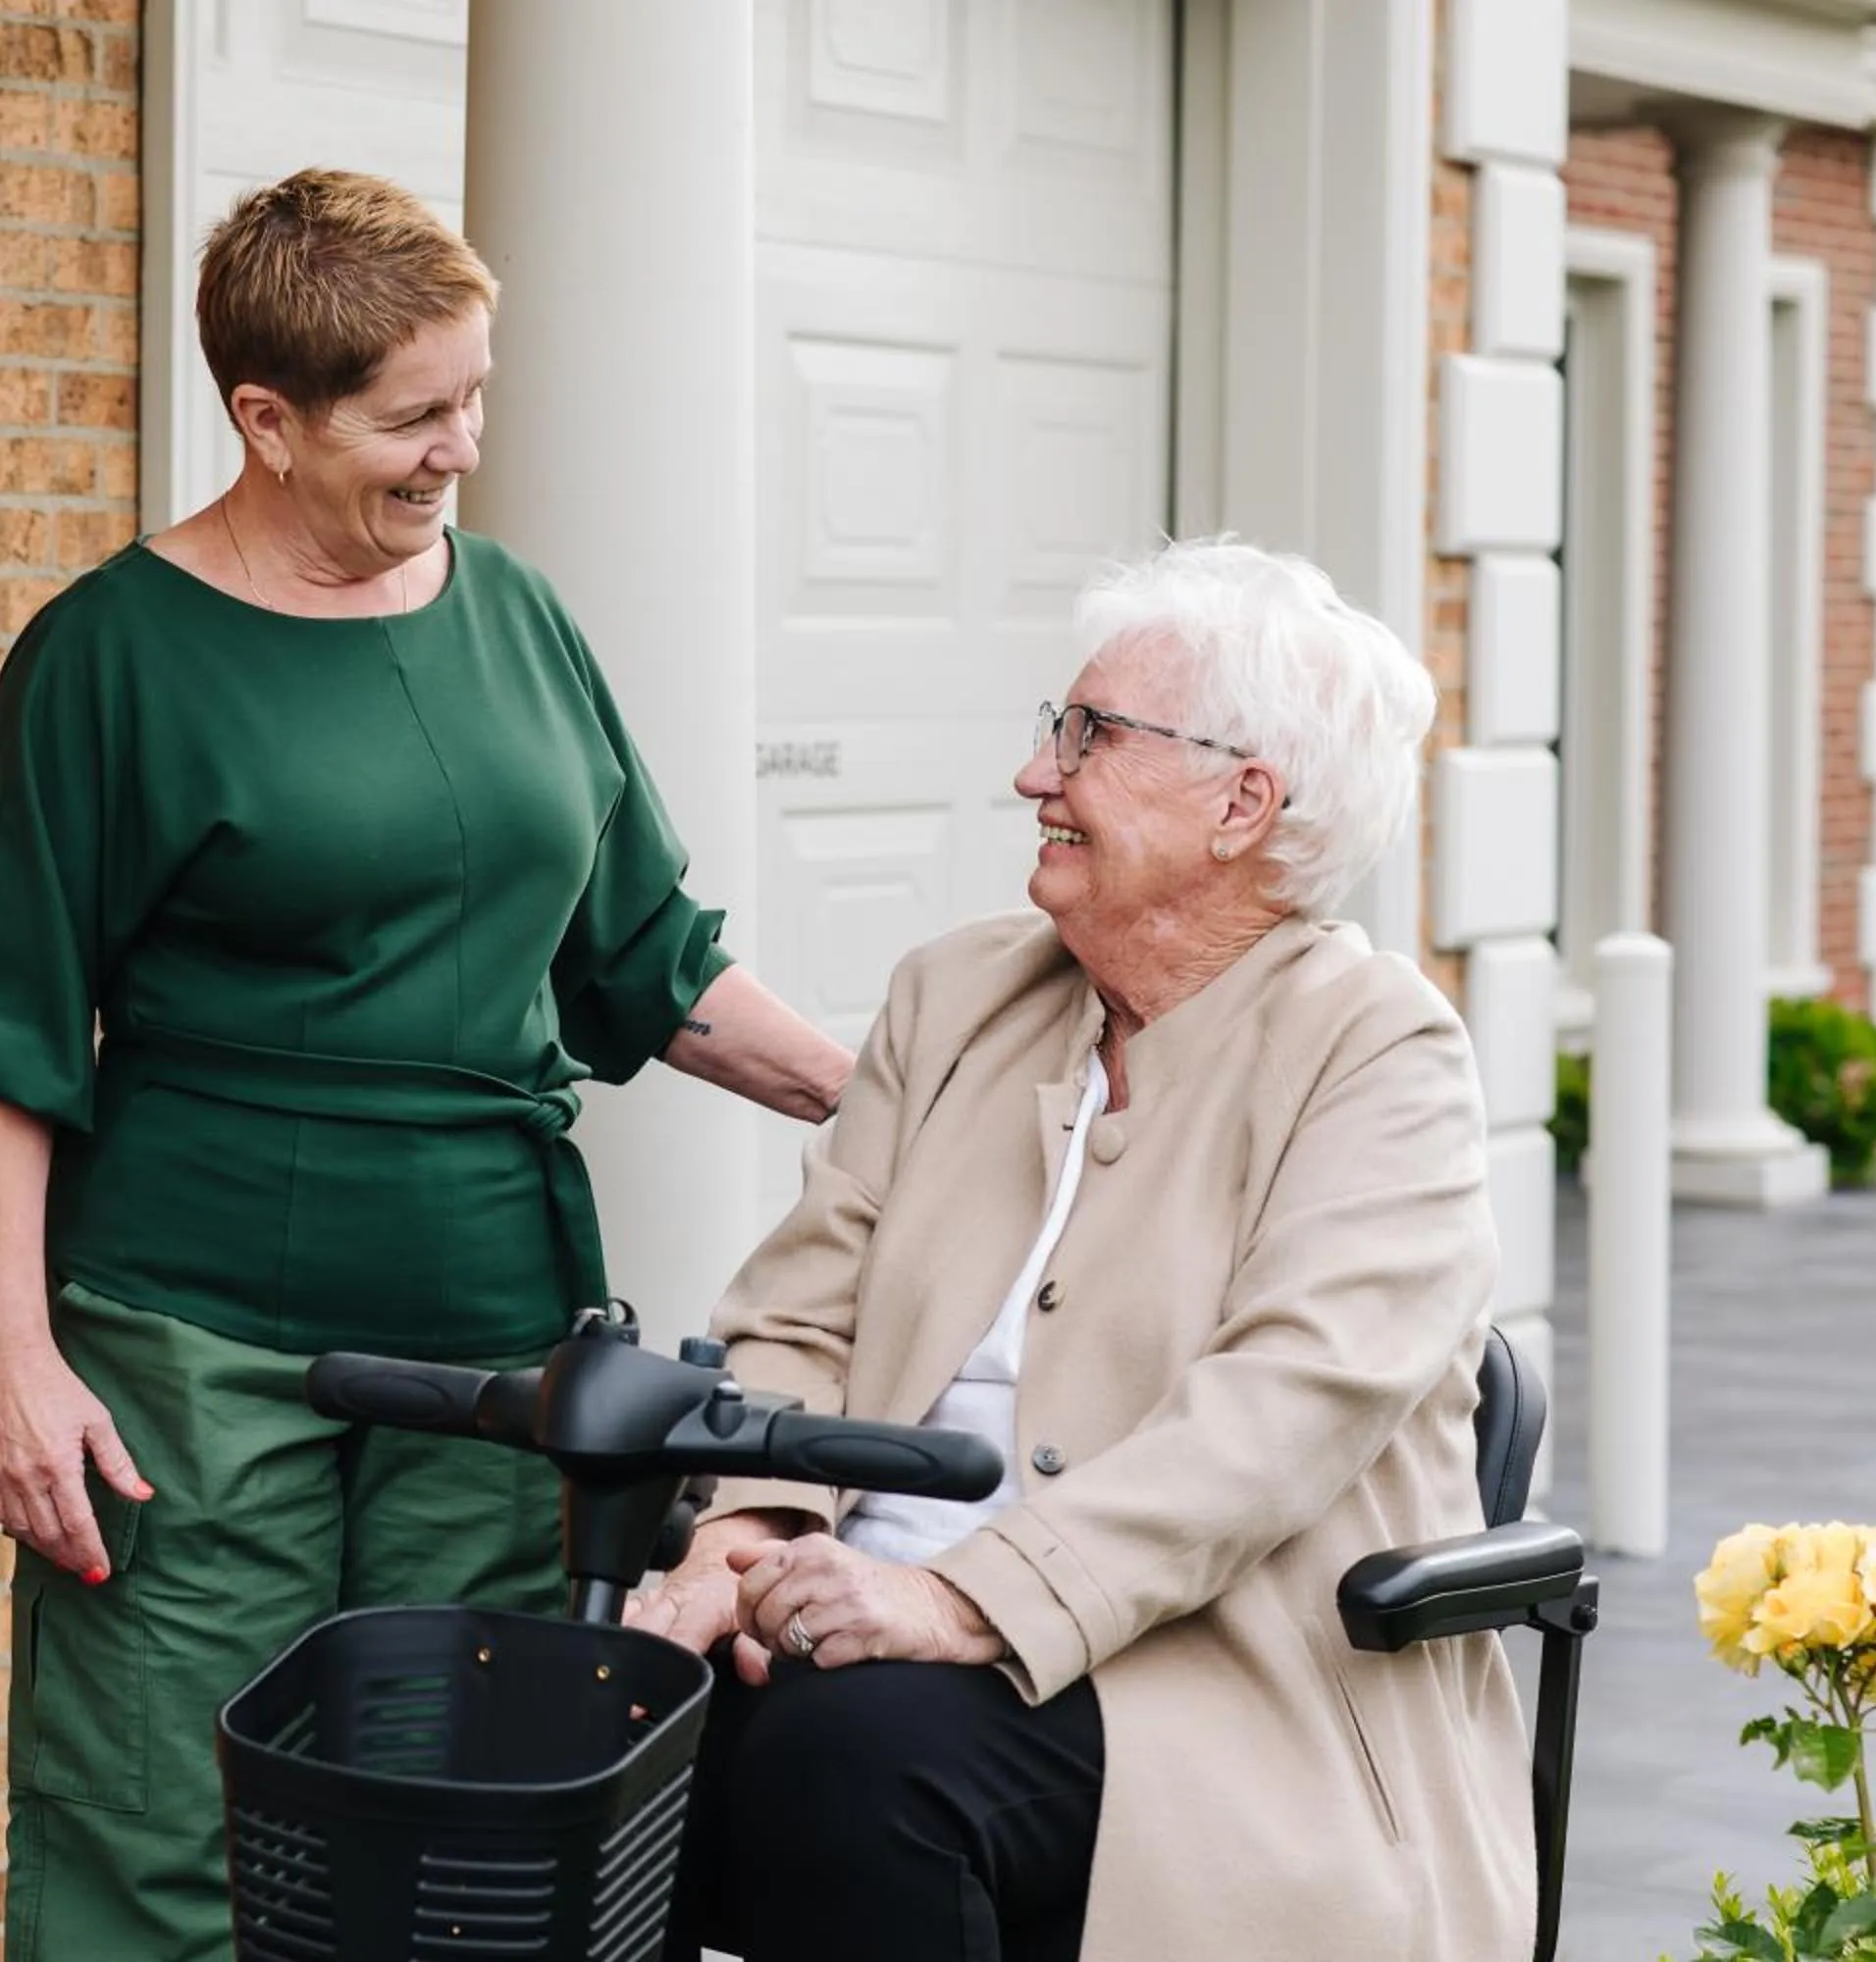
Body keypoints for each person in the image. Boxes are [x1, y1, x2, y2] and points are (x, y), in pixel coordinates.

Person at [0, 168, 853, 1962]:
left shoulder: (522, 623)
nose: (460, 450)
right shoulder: (113, 657)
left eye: (473, 396)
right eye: (413, 417)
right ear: (265, 417)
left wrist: (914, 1105)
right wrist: (12, 1363)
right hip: (192, 1360)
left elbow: (649, 963)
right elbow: (0, 1042)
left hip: (492, 1359)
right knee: (162, 1850)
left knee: (458, 1846)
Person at [630, 539, 1535, 1962]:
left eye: (1091, 736)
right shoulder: (960, 996)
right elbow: (797, 1316)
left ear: (1244, 801)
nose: (1036, 775)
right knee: (584, 1723)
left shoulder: (1379, 1056)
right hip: (850, 1602)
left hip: (1213, 1683)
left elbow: (1275, 1420)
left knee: (851, 1767)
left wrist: (964, 1597)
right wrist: (751, 1528)